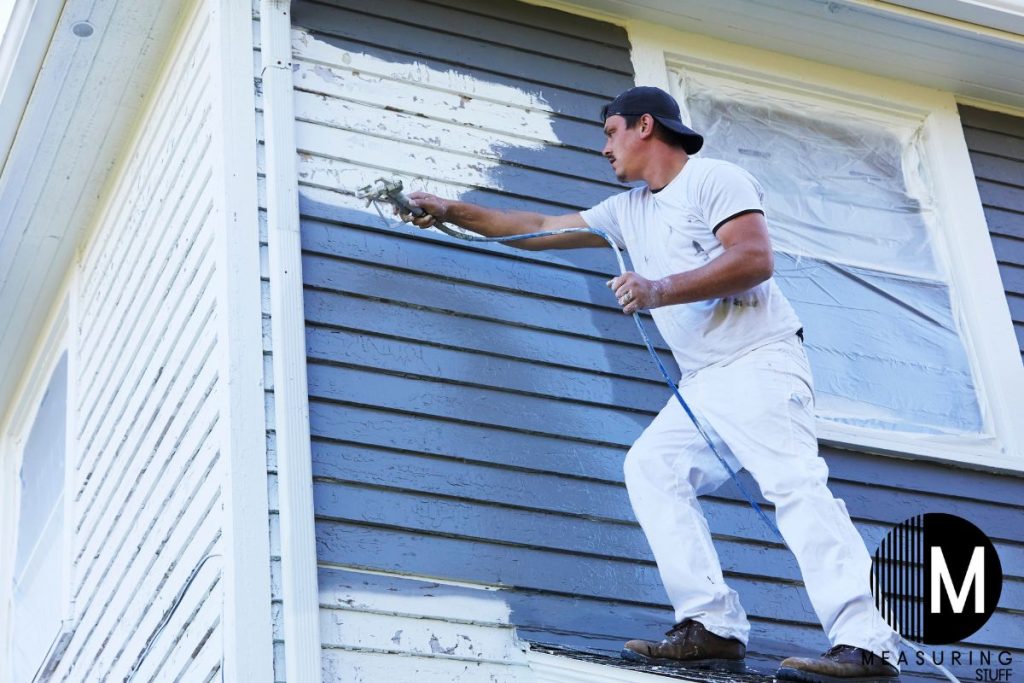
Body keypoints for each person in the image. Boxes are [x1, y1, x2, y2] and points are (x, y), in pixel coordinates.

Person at [398, 86, 900, 682]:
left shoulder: (714, 179)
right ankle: (711, 626)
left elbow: (754, 258)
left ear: (643, 126)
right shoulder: (625, 211)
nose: (604, 148)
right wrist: (450, 210)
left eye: (610, 132)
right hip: (703, 382)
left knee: (794, 485)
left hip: (760, 360)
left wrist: (658, 289)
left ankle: (868, 645)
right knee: (652, 468)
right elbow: (533, 224)